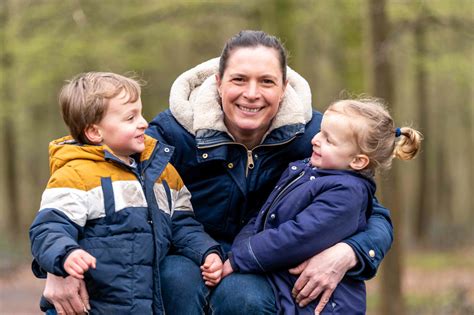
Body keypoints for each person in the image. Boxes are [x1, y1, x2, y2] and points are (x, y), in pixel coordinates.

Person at [41, 30, 394, 315]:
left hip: (266, 266)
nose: (251, 94)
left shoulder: (315, 137)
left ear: (284, 87)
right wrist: (56, 266)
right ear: (219, 82)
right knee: (174, 279)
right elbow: (91, 171)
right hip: (188, 254)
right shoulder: (170, 135)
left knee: (243, 297)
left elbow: (369, 210)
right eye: (239, 79)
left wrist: (351, 252)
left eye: (267, 82)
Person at [30, 72, 224, 314]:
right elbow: (48, 227)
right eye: (130, 117)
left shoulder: (163, 172)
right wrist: (66, 254)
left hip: (142, 302)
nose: (143, 123)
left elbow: (183, 223)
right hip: (91, 304)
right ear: (94, 132)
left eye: (140, 113)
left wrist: (207, 252)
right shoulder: (75, 175)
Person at [223, 98, 423, 314]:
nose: (315, 140)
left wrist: (240, 258)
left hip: (324, 306)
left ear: (357, 161)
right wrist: (239, 250)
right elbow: (264, 214)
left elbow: (298, 236)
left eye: (329, 140)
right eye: (320, 132)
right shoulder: (306, 170)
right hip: (288, 291)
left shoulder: (346, 193)